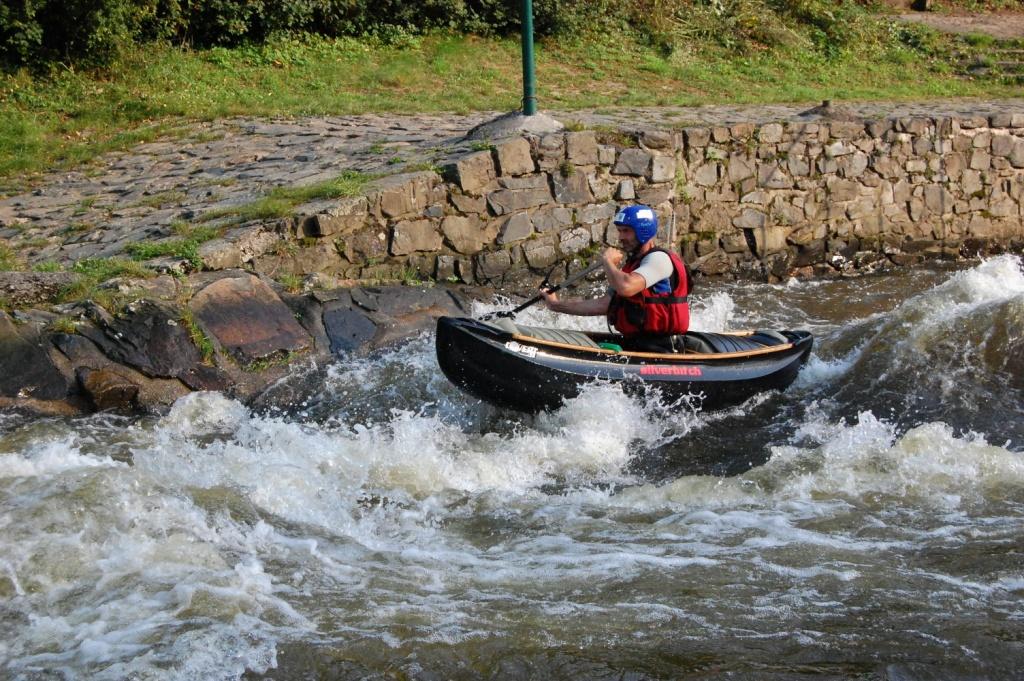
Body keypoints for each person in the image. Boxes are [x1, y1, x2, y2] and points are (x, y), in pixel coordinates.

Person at [540, 204, 691, 352]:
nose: (621, 237)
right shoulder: (630, 268)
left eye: (626, 231)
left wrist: (608, 263)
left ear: (643, 231)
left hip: (662, 347)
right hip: (636, 343)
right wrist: (556, 305)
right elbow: (603, 305)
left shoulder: (659, 259)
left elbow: (626, 287)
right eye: (619, 231)